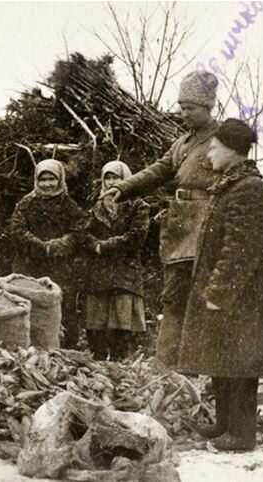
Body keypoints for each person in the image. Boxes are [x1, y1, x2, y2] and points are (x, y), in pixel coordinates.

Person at [103, 70, 222, 368]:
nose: (183, 114)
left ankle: (201, 366)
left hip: (207, 229)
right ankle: (166, 365)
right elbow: (157, 171)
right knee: (173, 298)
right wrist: (123, 187)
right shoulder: (181, 144)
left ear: (208, 107)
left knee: (203, 301)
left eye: (190, 108)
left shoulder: (222, 141)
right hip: (180, 230)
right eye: (181, 107)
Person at [179, 119, 263, 451]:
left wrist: (219, 292)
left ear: (232, 151)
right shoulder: (231, 184)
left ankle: (241, 435)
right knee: (222, 358)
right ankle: (224, 424)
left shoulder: (248, 188)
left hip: (243, 299)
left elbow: (240, 249)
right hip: (231, 296)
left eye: (213, 147)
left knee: (241, 364)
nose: (209, 152)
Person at [10, 159, 86, 349]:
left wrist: (57, 245)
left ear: (60, 179)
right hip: (30, 263)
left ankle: (66, 347)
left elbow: (79, 231)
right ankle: (31, 346)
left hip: (59, 264)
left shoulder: (69, 205)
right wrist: (39, 245)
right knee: (30, 302)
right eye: (42, 180)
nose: (47, 184)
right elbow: (17, 230)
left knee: (61, 303)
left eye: (51, 179)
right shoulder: (26, 203)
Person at [82, 161, 150, 360]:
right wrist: (94, 244)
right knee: (97, 325)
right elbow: (84, 234)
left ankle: (120, 366)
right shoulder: (97, 207)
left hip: (125, 271)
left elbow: (137, 236)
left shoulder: (138, 205)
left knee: (122, 323)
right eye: (108, 177)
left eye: (116, 177)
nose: (112, 182)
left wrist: (105, 246)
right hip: (100, 271)